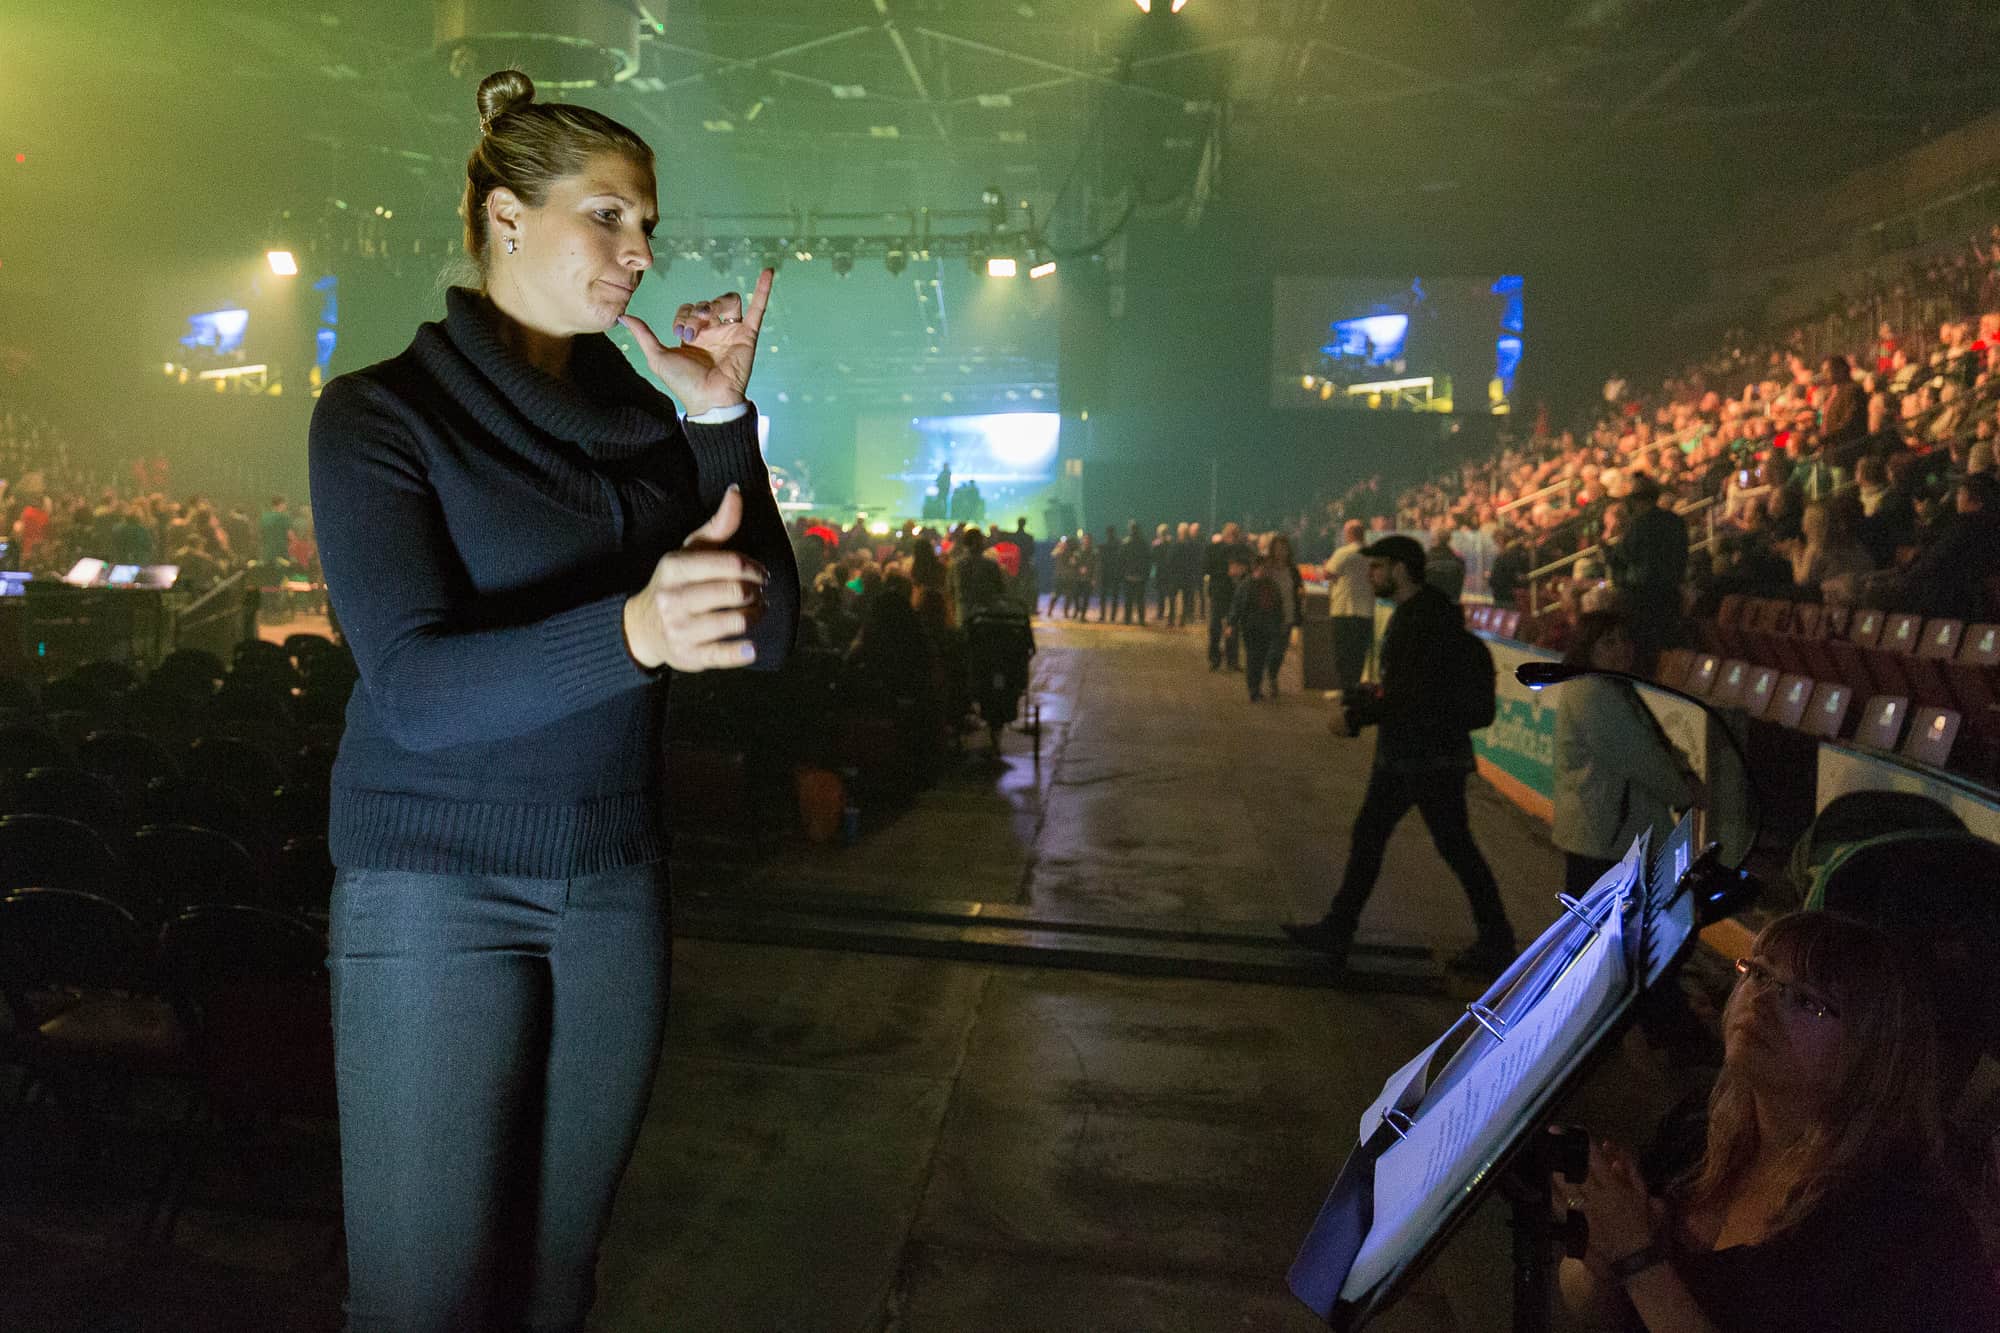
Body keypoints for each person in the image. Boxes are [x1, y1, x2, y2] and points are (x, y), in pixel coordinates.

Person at [308, 69, 799, 1331]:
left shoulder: (643, 414)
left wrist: (718, 416)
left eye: (647, 222)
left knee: (552, 1287)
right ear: (506, 218)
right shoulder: (381, 414)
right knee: (422, 1302)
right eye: (610, 216)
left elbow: (769, 637)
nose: (642, 250)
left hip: (612, 880)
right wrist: (636, 628)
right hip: (433, 887)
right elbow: (413, 686)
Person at [1556, 911, 2000, 1332]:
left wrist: (1639, 1257)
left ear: (1870, 1052)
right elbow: (1588, 1310)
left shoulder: (1898, 1226)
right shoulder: (1697, 1131)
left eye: (1808, 1001)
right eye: (1762, 973)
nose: (1763, 999)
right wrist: (1601, 1248)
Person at [1284, 535, 1517, 974]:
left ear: (1401, 569)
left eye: (1377, 569)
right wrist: (1371, 696)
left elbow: (1413, 695)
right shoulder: (1420, 614)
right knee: (1378, 836)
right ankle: (1339, 927)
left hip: (1425, 756)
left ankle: (1496, 938)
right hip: (1414, 753)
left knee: (1450, 845)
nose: (1370, 576)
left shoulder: (1423, 620)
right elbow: (1405, 687)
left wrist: (1355, 718)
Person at [1551, 612, 1699, 897]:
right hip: (1605, 838)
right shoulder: (1593, 693)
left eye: (1624, 640)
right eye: (1609, 643)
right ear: (1587, 649)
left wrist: (1685, 775)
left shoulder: (1610, 685)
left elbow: (1653, 743)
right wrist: (1685, 793)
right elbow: (1640, 758)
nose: (1622, 648)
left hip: (1606, 834)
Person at [1324, 519, 1376, 691]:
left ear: (1349, 534)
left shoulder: (1343, 553)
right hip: (1366, 611)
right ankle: (1354, 686)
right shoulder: (1373, 554)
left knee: (1342, 652)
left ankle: (1345, 688)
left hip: (1343, 609)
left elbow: (1328, 573)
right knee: (1358, 653)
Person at [1204, 522, 1250, 669]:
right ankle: (1218, 658)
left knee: (1232, 627)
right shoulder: (1215, 549)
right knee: (1216, 627)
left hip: (1232, 592)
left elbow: (1251, 567)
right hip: (1221, 590)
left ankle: (1230, 659)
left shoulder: (1242, 550)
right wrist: (1227, 571)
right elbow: (1207, 567)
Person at [1120, 519, 1149, 625]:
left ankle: (1127, 619)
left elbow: (1121, 560)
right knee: (1140, 600)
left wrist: (1122, 573)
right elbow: (1147, 560)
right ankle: (1141, 619)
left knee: (1129, 600)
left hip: (1128, 575)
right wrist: (1146, 574)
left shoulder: (1125, 542)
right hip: (1140, 576)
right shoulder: (1143, 543)